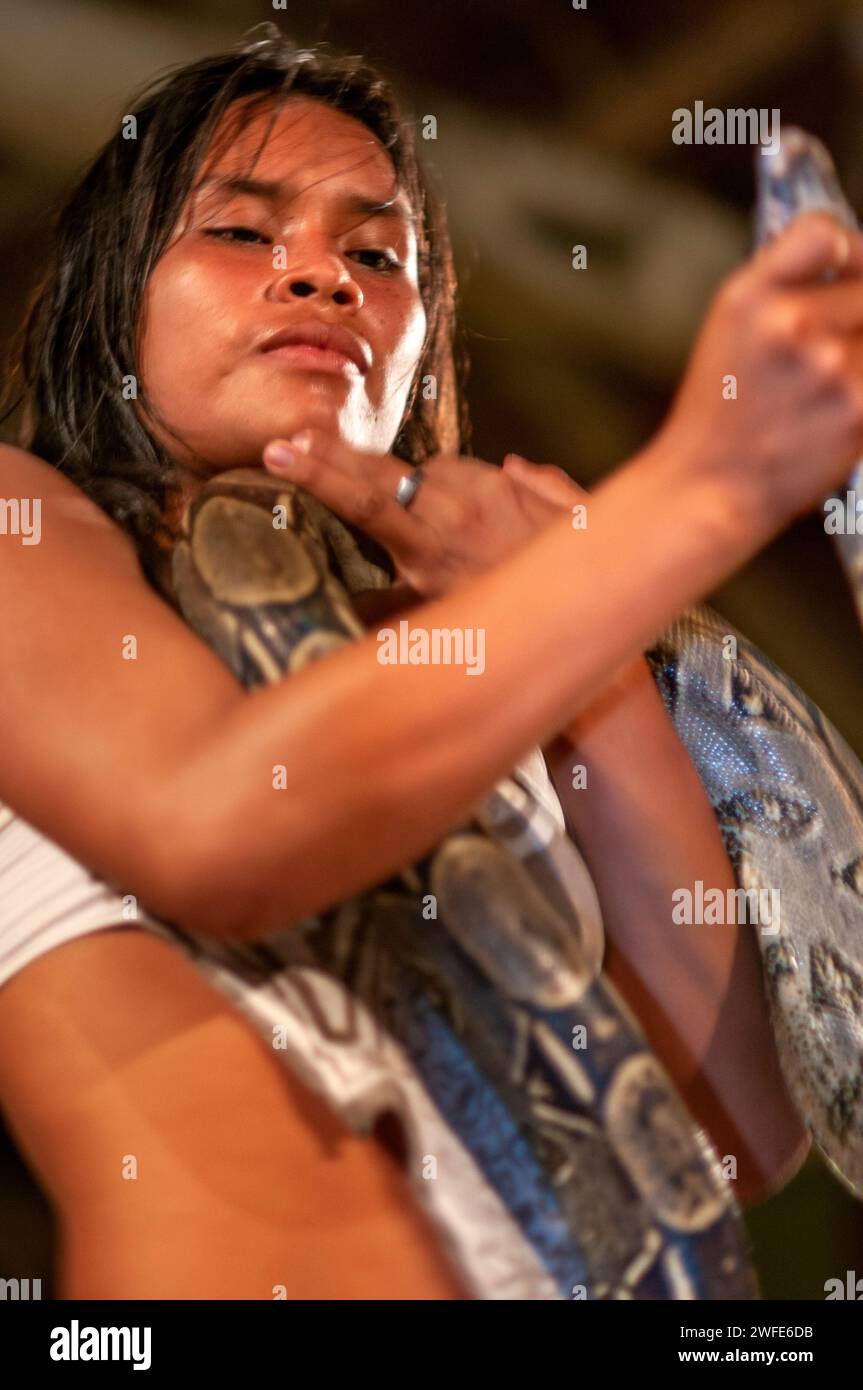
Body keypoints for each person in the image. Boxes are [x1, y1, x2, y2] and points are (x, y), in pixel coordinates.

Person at [0, 28, 861, 1299]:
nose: (322, 277)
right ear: (112, 301)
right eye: (241, 234)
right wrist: (698, 491)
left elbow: (731, 1130)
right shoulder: (29, 531)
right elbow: (217, 823)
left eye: (375, 253)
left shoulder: (482, 654)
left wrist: (601, 671)